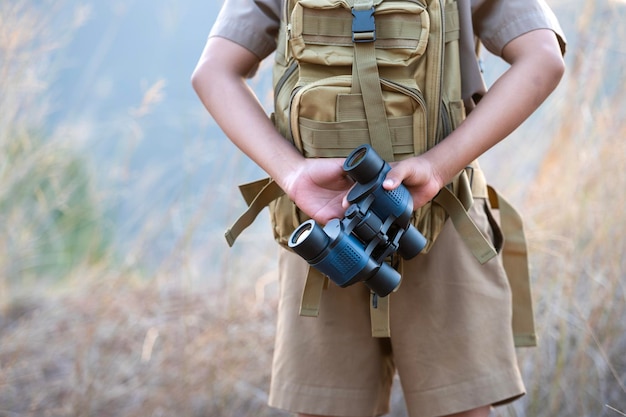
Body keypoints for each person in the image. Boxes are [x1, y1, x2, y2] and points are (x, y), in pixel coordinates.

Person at [192, 0, 566, 416]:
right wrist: (437, 168)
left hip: (324, 229)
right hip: (441, 216)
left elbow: (212, 72)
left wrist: (295, 175)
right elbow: (542, 58)